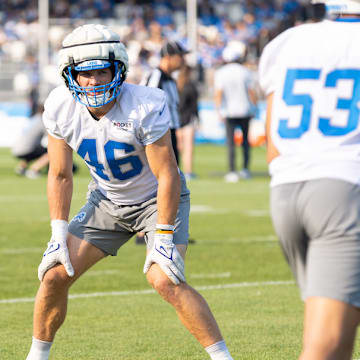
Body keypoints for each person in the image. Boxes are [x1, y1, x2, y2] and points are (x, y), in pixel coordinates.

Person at [25, 24, 233, 360]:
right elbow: (61, 173)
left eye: (101, 71)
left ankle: (223, 357)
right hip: (107, 201)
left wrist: (164, 236)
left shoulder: (144, 104)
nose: (93, 81)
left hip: (157, 200)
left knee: (165, 279)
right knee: (54, 275)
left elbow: (167, 174)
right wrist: (57, 233)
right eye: (84, 74)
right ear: (70, 76)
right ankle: (36, 356)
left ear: (118, 69)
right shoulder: (60, 106)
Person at [259, 1, 360, 359]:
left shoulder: (288, 41)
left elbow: (273, 145)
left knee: (338, 331)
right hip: (345, 191)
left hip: (287, 191)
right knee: (326, 347)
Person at [136, 40, 188, 244]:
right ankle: (145, 231)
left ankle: (167, 228)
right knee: (161, 179)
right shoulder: (156, 76)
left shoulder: (169, 79)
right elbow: (145, 105)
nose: (183, 60)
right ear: (169, 57)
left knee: (172, 178)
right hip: (158, 134)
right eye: (180, 56)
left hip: (170, 131)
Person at [214, 41, 257, 183]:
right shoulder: (245, 72)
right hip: (245, 110)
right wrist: (255, 107)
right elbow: (252, 92)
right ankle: (245, 169)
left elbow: (218, 93)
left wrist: (219, 110)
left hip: (229, 112)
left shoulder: (221, 73)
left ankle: (232, 171)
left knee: (231, 143)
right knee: (245, 142)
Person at [12, 103, 49, 179]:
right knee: (51, 152)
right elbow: (50, 135)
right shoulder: (42, 121)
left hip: (16, 148)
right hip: (26, 148)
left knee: (34, 150)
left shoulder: (33, 119)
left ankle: (21, 168)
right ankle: (34, 170)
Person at [176, 64, 199, 181]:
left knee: (177, 148)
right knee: (188, 148)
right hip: (188, 120)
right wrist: (198, 120)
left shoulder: (175, 85)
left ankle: (176, 171)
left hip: (176, 121)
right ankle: (188, 172)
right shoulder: (191, 86)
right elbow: (195, 106)